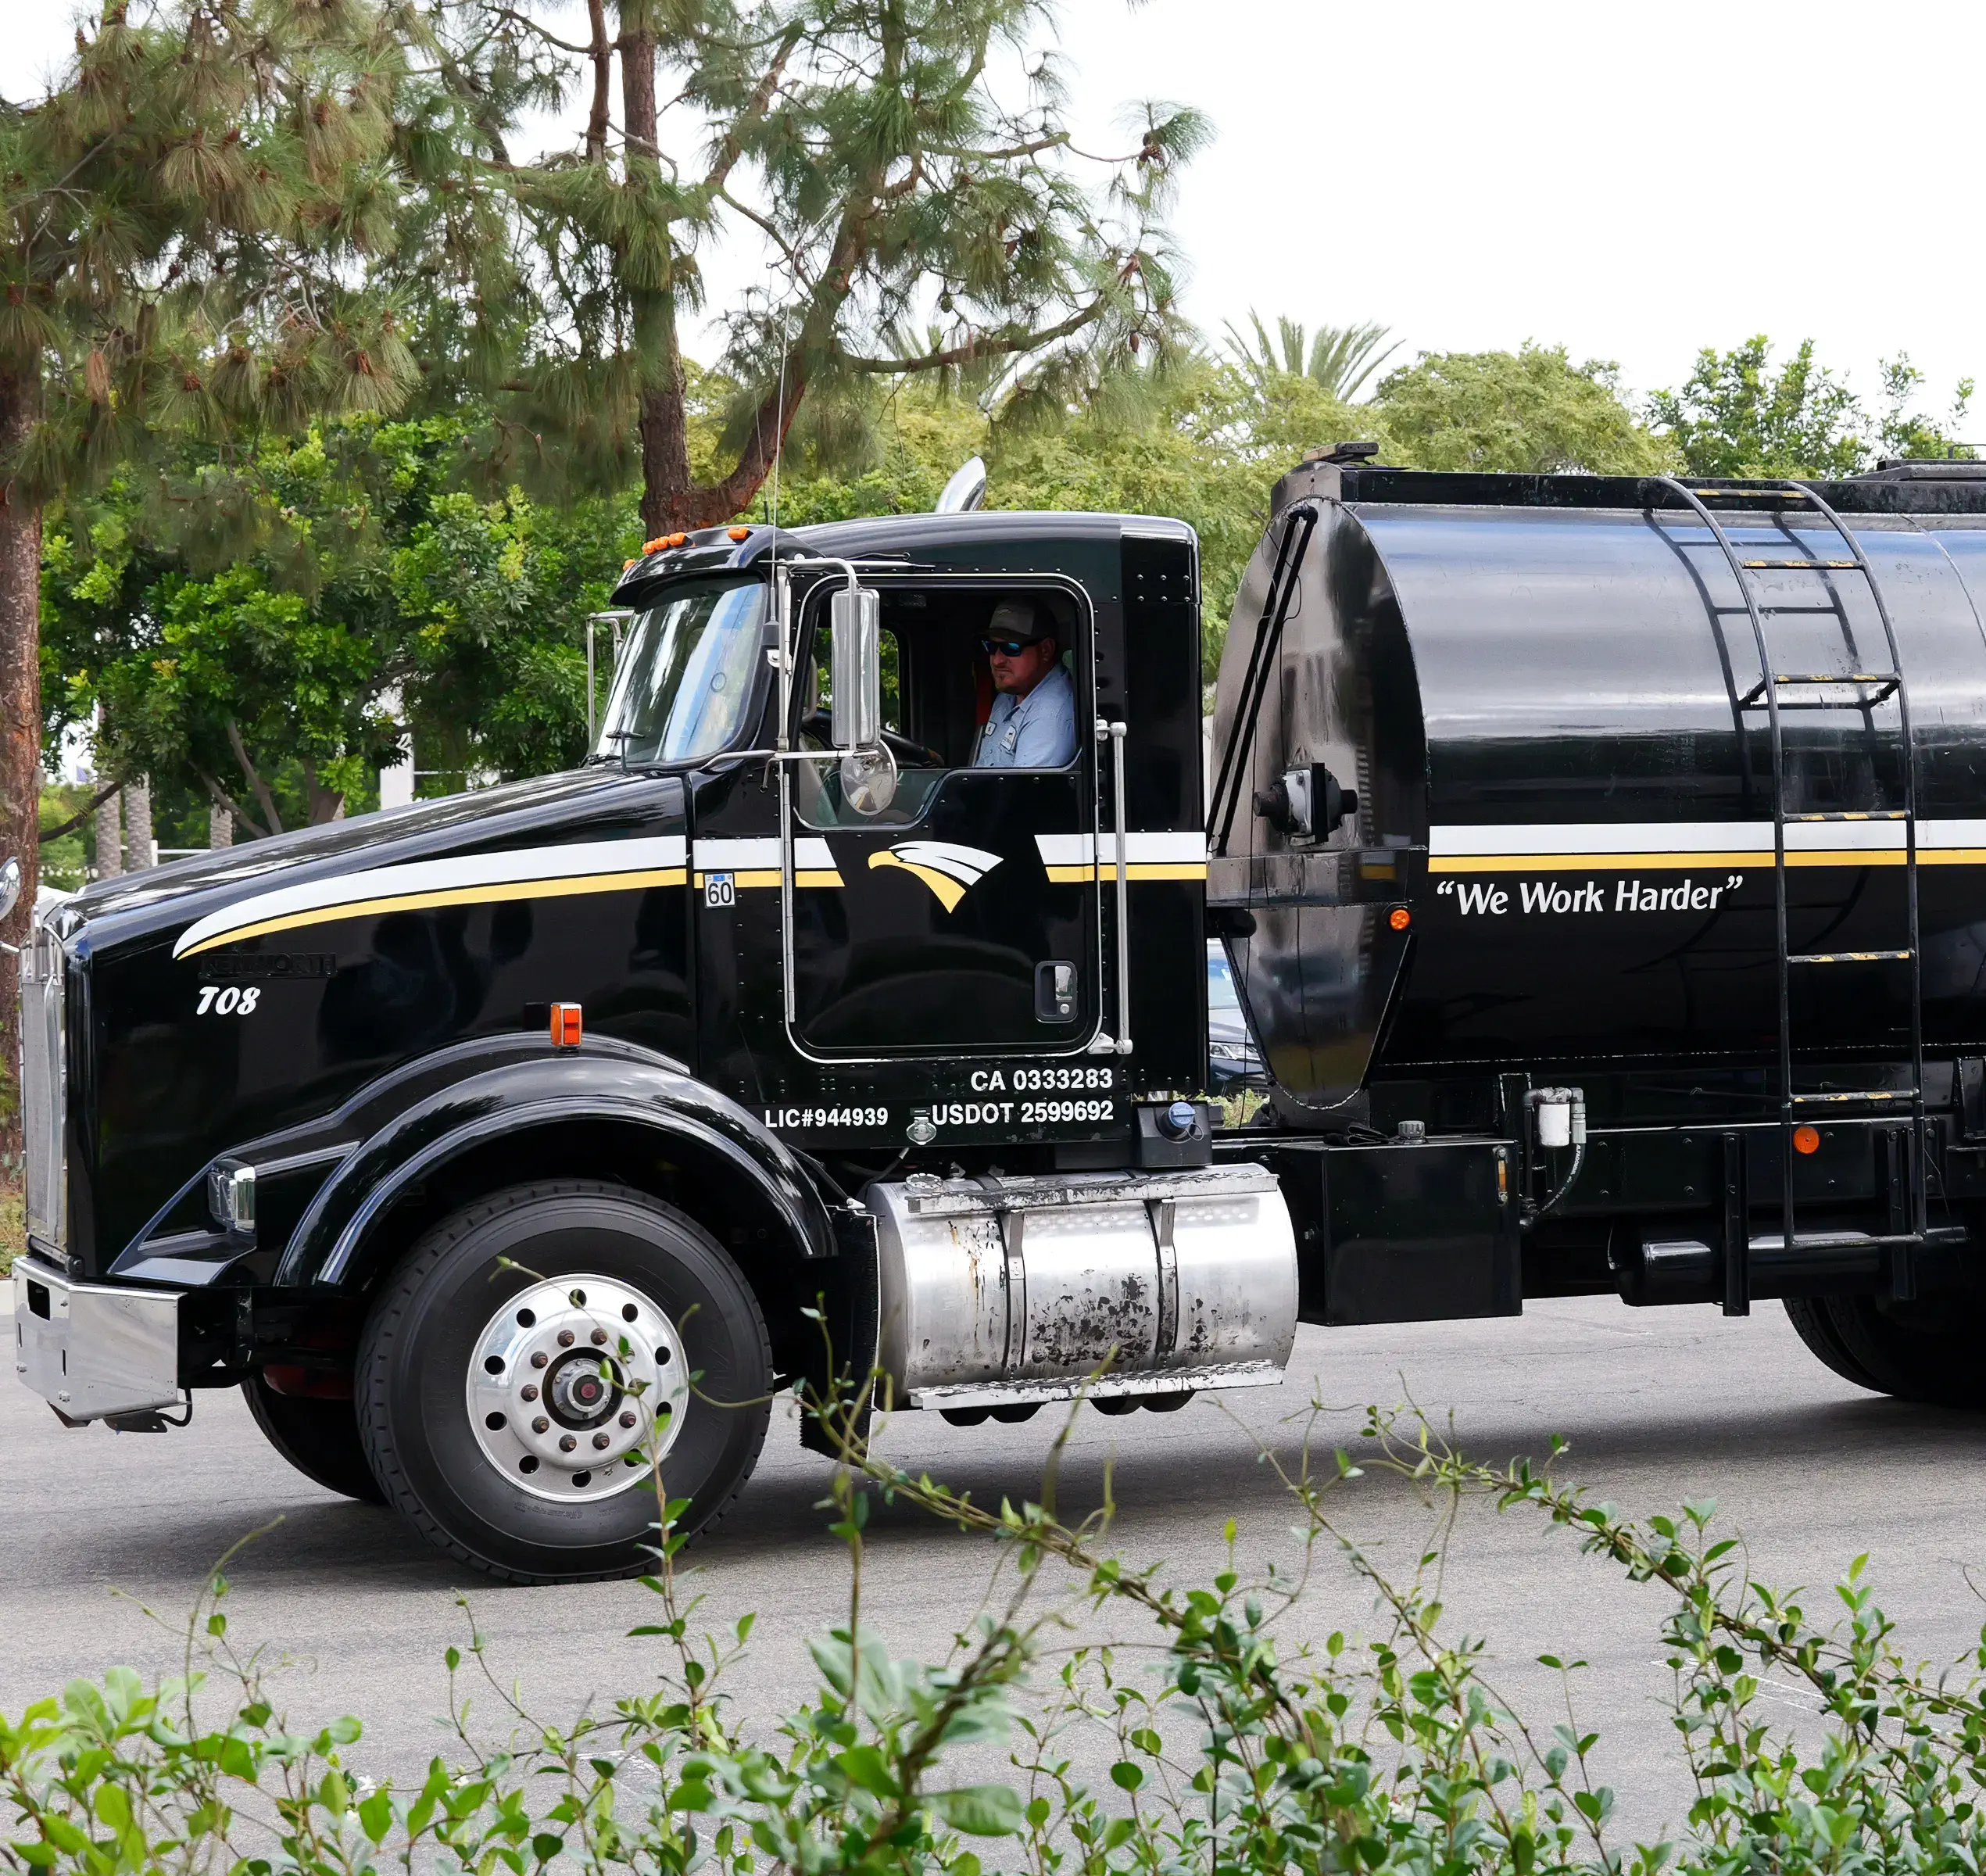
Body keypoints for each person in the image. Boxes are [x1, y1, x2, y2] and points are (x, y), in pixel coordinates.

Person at [972, 598, 1076, 768]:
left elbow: (1023, 792)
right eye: (991, 647)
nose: (997, 660)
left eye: (1011, 648)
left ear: (1046, 650)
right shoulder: (1009, 694)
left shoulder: (1051, 714)